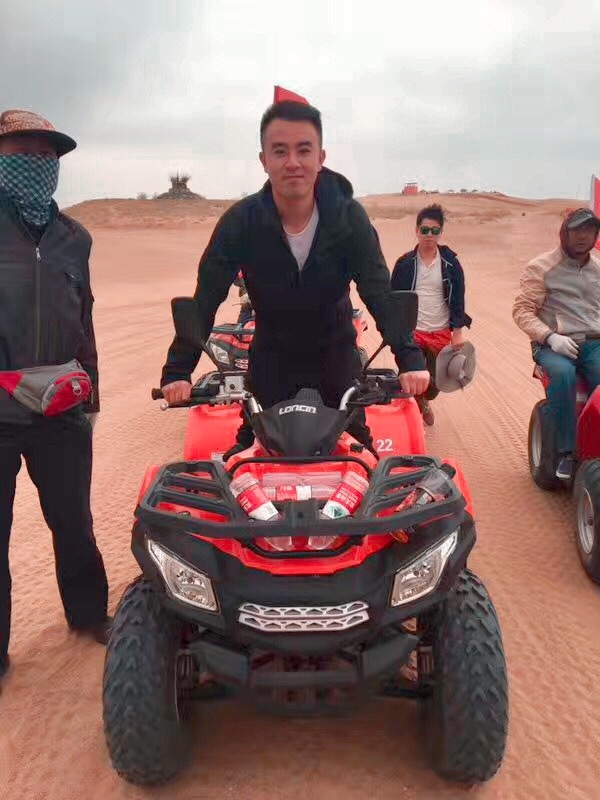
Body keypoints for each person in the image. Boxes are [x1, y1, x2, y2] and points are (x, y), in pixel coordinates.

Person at [160, 89, 429, 455]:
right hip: (271, 364)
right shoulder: (241, 222)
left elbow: (378, 293)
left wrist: (410, 359)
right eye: (280, 151)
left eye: (303, 150)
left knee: (363, 459)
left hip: (336, 362)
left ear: (320, 157)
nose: (293, 162)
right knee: (246, 462)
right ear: (263, 159)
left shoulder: (349, 219)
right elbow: (205, 298)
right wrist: (178, 370)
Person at [0, 109, 111, 689]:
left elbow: (82, 316)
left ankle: (89, 617)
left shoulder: (74, 237)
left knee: (74, 523)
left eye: (48, 155)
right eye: (23, 152)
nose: (38, 163)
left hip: (60, 409)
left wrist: (90, 390)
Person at [513, 207, 600, 479]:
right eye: (576, 230)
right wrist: (550, 336)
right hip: (553, 345)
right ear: (565, 233)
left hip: (593, 343)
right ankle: (566, 453)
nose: (582, 236)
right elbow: (522, 311)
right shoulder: (541, 267)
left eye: (589, 230)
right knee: (563, 376)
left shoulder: (598, 269)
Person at [391, 204, 472, 425]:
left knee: (436, 384)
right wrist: (394, 329)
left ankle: (425, 400)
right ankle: (413, 415)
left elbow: (458, 297)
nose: (429, 235)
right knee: (412, 374)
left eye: (434, 230)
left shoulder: (451, 263)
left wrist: (458, 331)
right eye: (425, 230)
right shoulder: (405, 264)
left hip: (440, 330)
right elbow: (394, 298)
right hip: (413, 331)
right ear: (416, 231)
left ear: (440, 233)